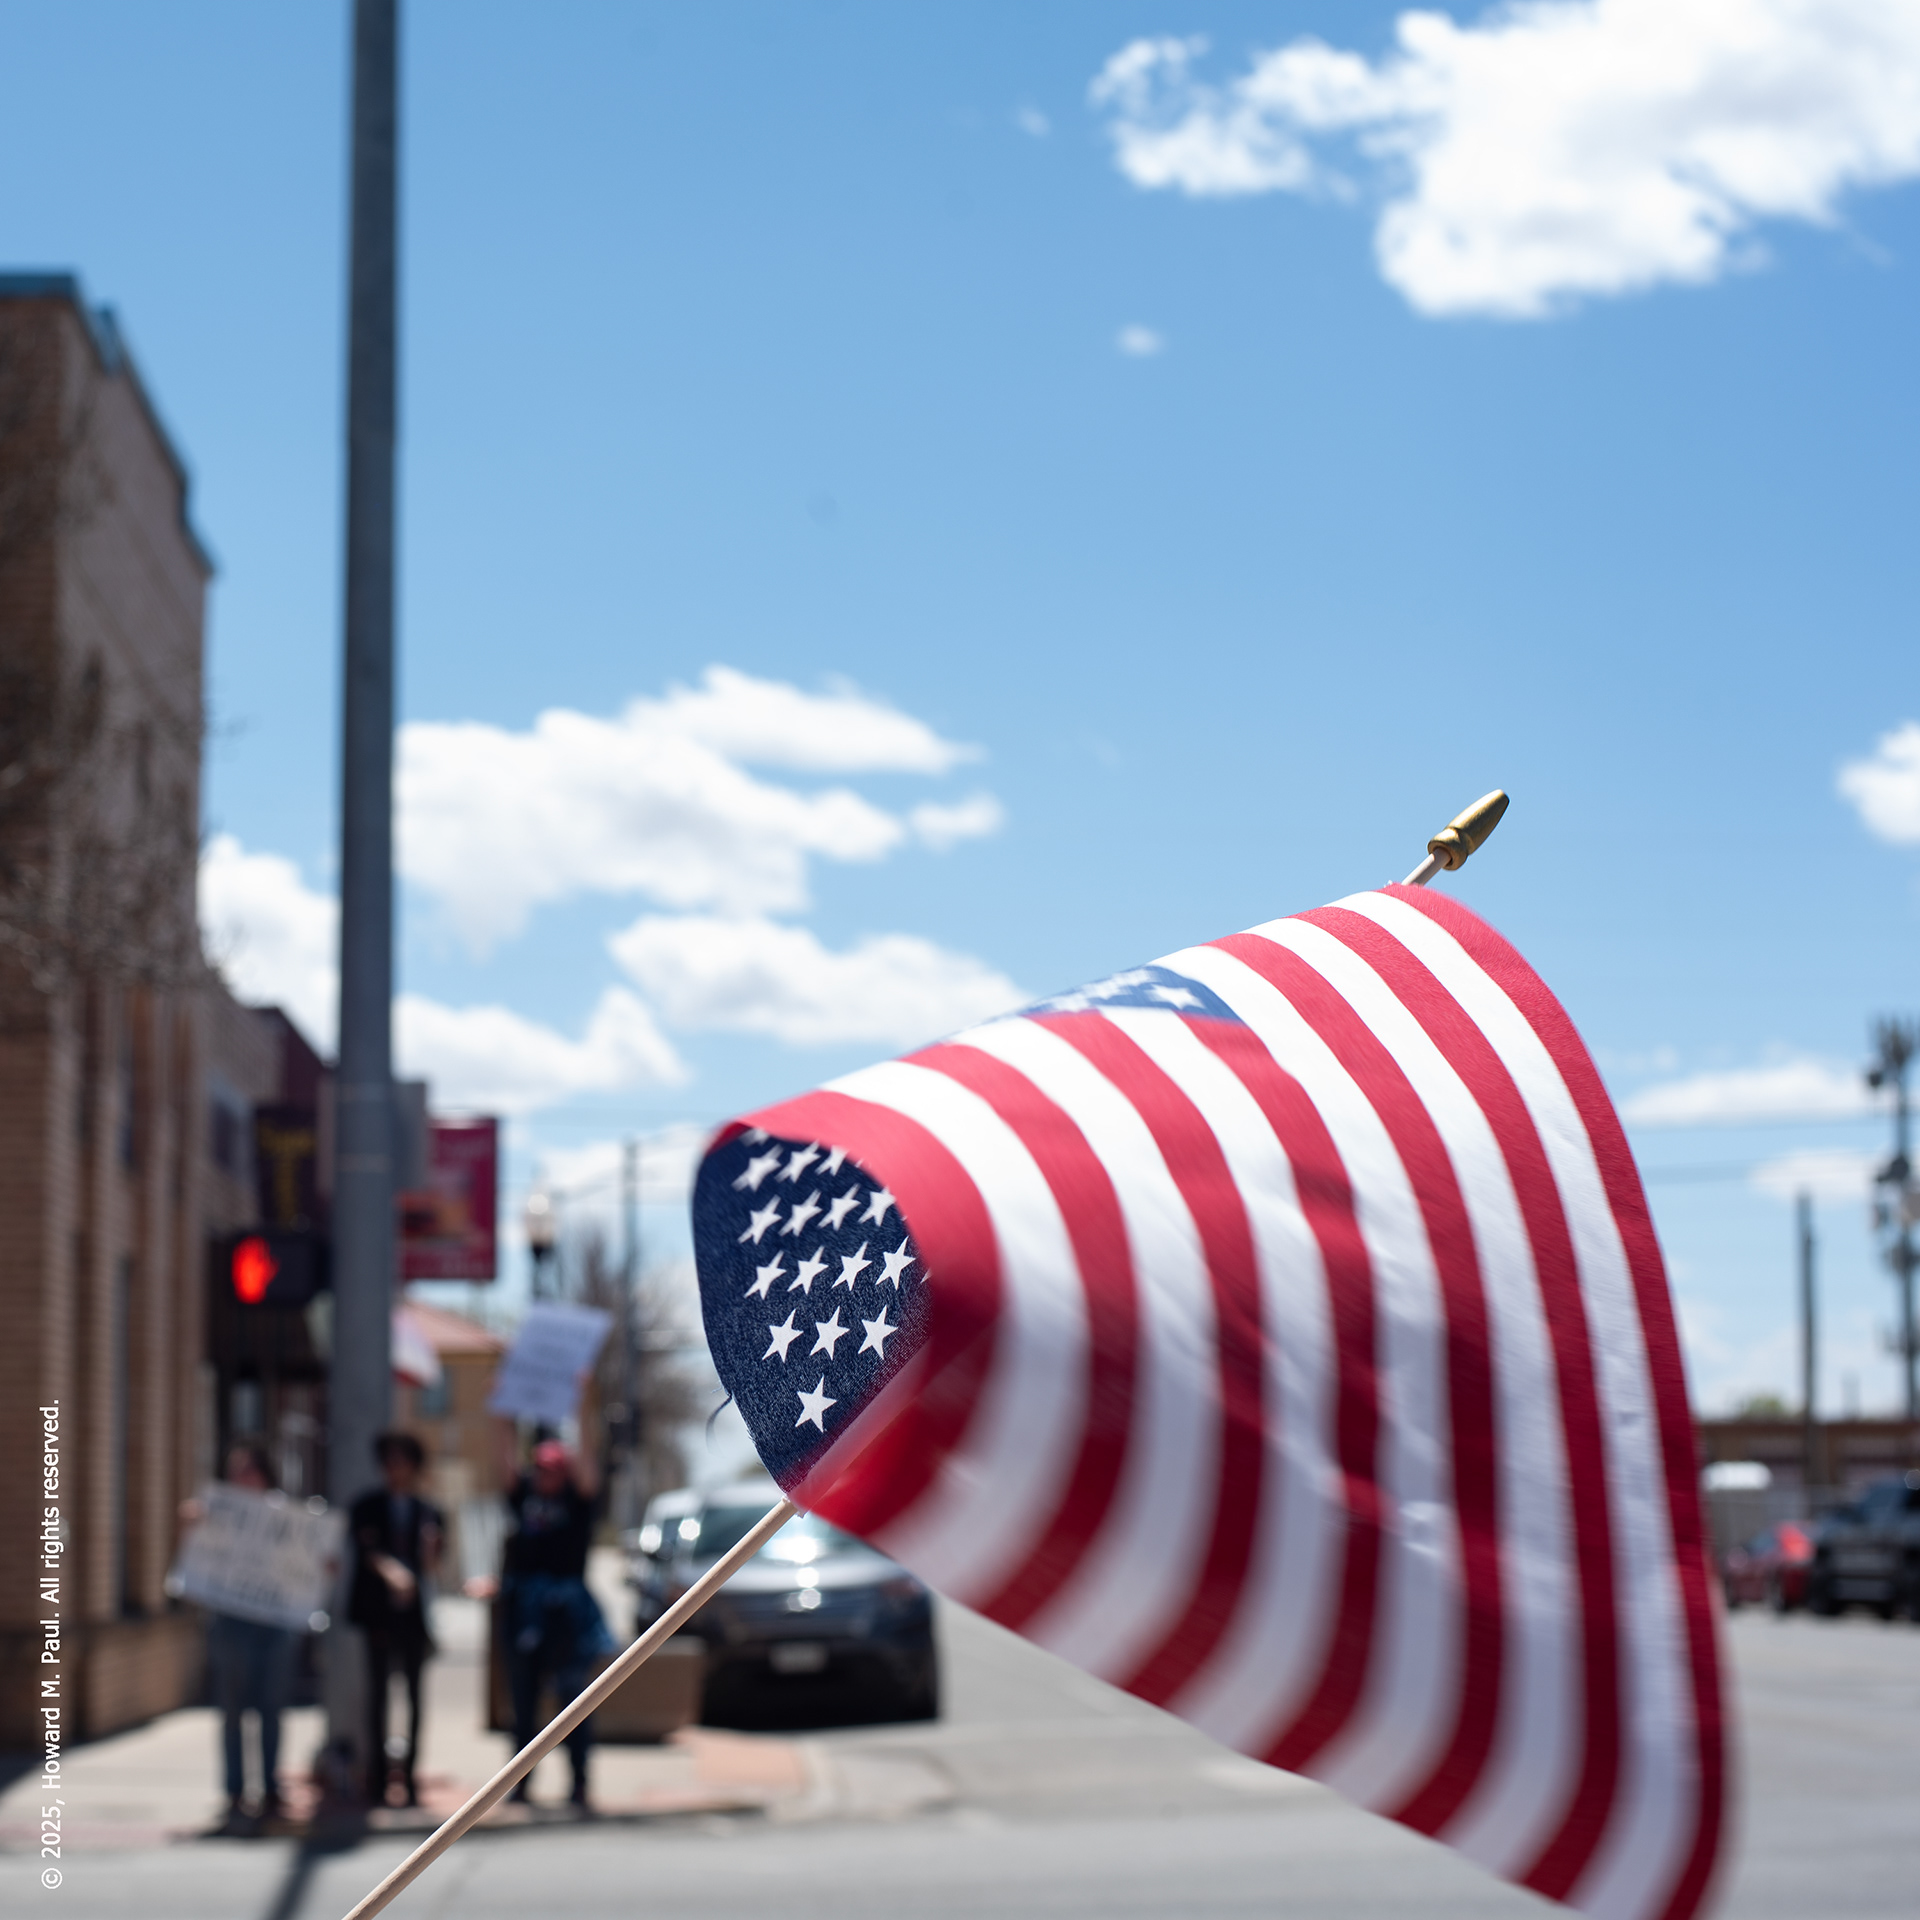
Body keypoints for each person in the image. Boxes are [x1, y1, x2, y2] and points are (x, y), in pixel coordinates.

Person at [182, 1441, 297, 1832]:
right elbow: (196, 1559)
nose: (240, 1477)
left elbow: (304, 1565)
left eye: (247, 1469)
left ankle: (267, 1787)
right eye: (235, 1470)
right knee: (232, 1710)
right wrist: (194, 1526)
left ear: (264, 1474)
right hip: (230, 1620)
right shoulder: (216, 1512)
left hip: (274, 1622)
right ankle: (234, 1791)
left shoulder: (287, 1516)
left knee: (270, 1708)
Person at [496, 1422, 612, 1811]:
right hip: (526, 1613)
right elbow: (507, 1464)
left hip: (567, 1615)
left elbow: (590, 1468)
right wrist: (503, 1417)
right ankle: (521, 1783)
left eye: (553, 1469)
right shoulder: (524, 1499)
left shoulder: (578, 1504)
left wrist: (580, 1405)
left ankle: (579, 1782)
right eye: (540, 1468)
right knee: (523, 1703)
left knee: (572, 1700)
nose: (544, 1475)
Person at [347, 1431, 443, 1808]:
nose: (396, 1468)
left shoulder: (428, 1510)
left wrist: (430, 1553)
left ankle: (411, 1777)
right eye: (389, 1461)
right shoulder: (367, 1505)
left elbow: (434, 1568)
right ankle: (377, 1779)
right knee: (378, 1697)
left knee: (416, 1698)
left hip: (414, 1618)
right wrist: (394, 1574)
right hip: (378, 1615)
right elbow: (367, 1550)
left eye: (403, 1460)